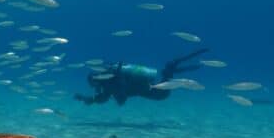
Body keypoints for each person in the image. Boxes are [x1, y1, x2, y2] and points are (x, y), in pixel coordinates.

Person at [74, 48, 209, 106]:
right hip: (150, 86)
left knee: (166, 86)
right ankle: (173, 68)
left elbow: (114, 100)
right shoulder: (114, 76)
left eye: (94, 84)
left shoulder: (110, 84)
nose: (95, 87)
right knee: (168, 74)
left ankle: (172, 70)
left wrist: (87, 99)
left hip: (153, 92)